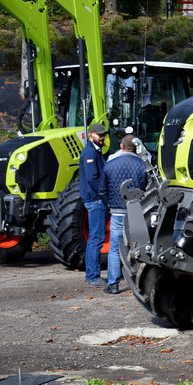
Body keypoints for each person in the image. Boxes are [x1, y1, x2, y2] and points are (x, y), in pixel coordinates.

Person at [100, 134, 148, 294]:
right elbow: (147, 189)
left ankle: (113, 284)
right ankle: (139, 283)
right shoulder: (142, 165)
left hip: (117, 211)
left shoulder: (110, 165)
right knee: (138, 247)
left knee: (114, 247)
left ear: (121, 146)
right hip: (136, 211)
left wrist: (110, 204)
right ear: (136, 148)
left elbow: (102, 189)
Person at [79, 122, 109, 286]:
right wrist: (104, 195)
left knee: (95, 238)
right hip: (96, 200)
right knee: (96, 238)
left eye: (103, 134)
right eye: (99, 135)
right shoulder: (90, 153)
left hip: (95, 199)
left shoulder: (95, 152)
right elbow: (93, 178)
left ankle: (92, 274)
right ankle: (92, 275)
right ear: (91, 135)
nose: (102, 137)